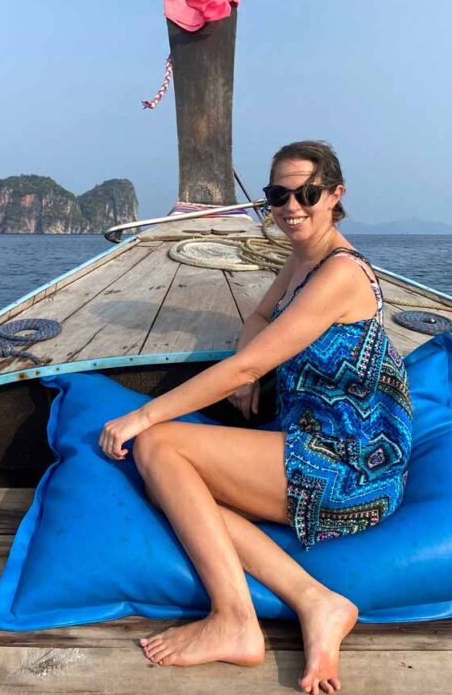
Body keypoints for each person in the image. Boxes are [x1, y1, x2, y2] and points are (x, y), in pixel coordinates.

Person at [99, 140, 413, 695]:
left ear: (335, 196)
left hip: (351, 467)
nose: (292, 207)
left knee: (157, 449)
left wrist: (143, 414)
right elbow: (262, 316)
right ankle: (316, 601)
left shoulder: (341, 272)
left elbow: (242, 367)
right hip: (323, 443)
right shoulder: (303, 258)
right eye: (278, 194)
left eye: (307, 194)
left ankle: (234, 620)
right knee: (181, 487)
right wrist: (257, 368)